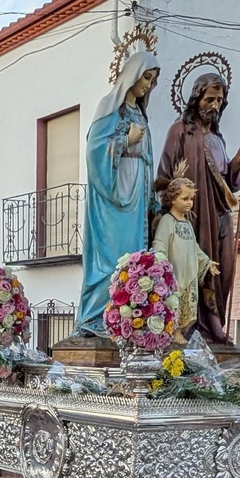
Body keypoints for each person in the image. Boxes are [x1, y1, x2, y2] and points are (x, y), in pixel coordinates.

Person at [155, 70, 240, 345]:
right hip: (194, 217)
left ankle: (214, 324)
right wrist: (177, 201)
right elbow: (163, 177)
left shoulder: (218, 139)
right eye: (210, 99)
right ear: (196, 98)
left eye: (220, 101)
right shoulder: (181, 132)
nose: (215, 106)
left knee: (224, 266)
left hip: (220, 212)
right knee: (193, 267)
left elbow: (226, 183)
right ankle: (194, 326)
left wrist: (236, 162)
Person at [76, 41, 159, 336]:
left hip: (137, 194)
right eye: (145, 77)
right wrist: (126, 141)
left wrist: (153, 199)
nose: (148, 85)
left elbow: (148, 158)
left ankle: (128, 314)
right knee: (111, 256)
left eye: (152, 80)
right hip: (112, 194)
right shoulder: (109, 108)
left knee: (133, 254)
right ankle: (96, 316)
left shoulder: (141, 115)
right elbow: (94, 150)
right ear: (131, 75)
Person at [151, 170, 217, 340]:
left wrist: (207, 262)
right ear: (173, 199)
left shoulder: (187, 223)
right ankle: (173, 331)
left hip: (189, 274)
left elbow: (194, 248)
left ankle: (180, 331)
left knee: (189, 304)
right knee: (174, 302)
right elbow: (160, 245)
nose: (190, 203)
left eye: (191, 199)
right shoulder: (167, 221)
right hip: (175, 275)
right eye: (185, 198)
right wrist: (161, 267)